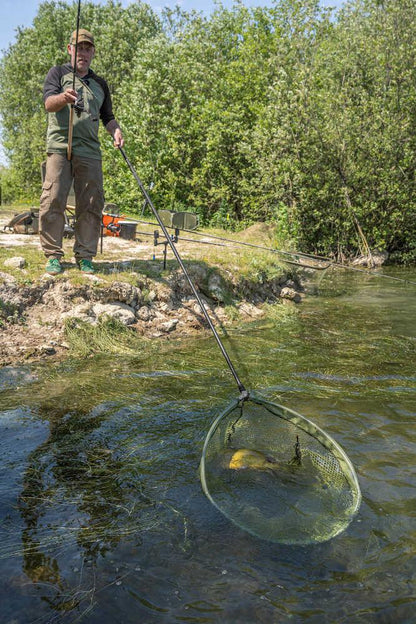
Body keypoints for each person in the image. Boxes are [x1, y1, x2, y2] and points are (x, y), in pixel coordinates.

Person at [40, 28, 124, 275]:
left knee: (91, 203)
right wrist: (64, 98)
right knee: (53, 198)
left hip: (90, 150)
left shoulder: (100, 84)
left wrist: (116, 131)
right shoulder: (58, 73)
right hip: (60, 147)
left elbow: (108, 117)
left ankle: (85, 255)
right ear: (70, 49)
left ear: (93, 53)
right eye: (79, 48)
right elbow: (48, 104)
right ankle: (53, 255)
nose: (83, 53)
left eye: (87, 49)